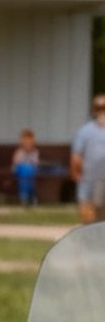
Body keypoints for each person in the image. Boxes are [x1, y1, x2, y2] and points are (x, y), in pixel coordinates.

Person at [69, 93, 105, 225]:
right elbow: (76, 155)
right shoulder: (85, 131)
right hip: (89, 178)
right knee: (88, 215)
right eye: (99, 108)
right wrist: (75, 173)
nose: (102, 111)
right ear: (94, 110)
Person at [12, 129, 42, 210]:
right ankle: (26, 197)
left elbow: (36, 163)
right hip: (21, 173)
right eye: (25, 141)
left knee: (29, 173)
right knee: (24, 174)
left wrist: (33, 165)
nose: (27, 144)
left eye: (29, 142)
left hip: (31, 173)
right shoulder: (19, 152)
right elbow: (16, 164)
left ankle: (28, 196)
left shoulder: (34, 152)